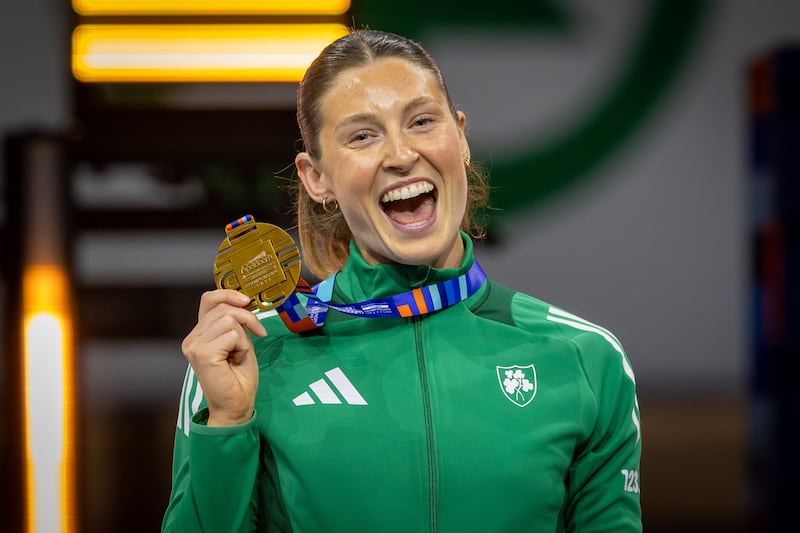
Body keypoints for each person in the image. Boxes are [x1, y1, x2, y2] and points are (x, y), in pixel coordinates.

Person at [162, 29, 642, 532]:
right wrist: (229, 422)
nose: (400, 153)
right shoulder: (251, 354)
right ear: (316, 177)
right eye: (363, 135)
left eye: (421, 121)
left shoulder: (585, 358)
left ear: (460, 138)